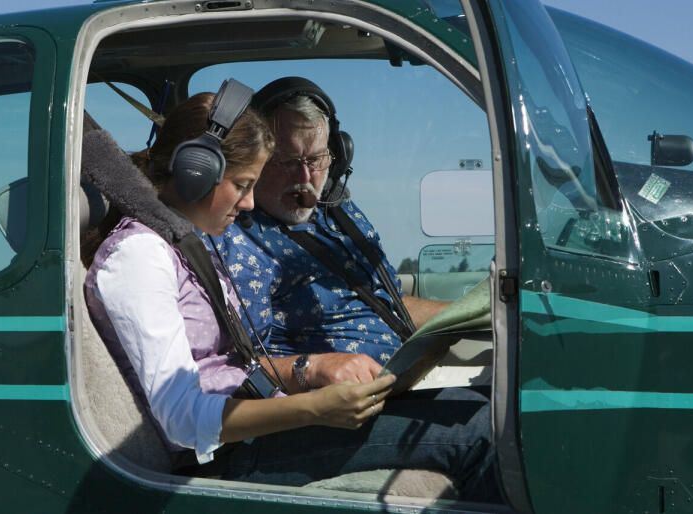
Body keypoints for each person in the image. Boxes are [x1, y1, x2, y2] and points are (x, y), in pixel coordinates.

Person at [83, 88, 499, 502]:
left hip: (260, 423)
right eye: (243, 185)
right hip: (229, 454)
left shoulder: (179, 243)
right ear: (197, 172)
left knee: (487, 409)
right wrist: (317, 408)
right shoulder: (138, 256)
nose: (248, 204)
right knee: (478, 432)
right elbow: (183, 420)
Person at [207, 77, 450, 385]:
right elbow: (234, 368)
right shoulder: (236, 238)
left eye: (316, 159)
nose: (305, 176)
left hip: (397, 384)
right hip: (322, 414)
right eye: (286, 161)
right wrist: (310, 368)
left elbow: (389, 303)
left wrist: (468, 315)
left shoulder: (338, 212)